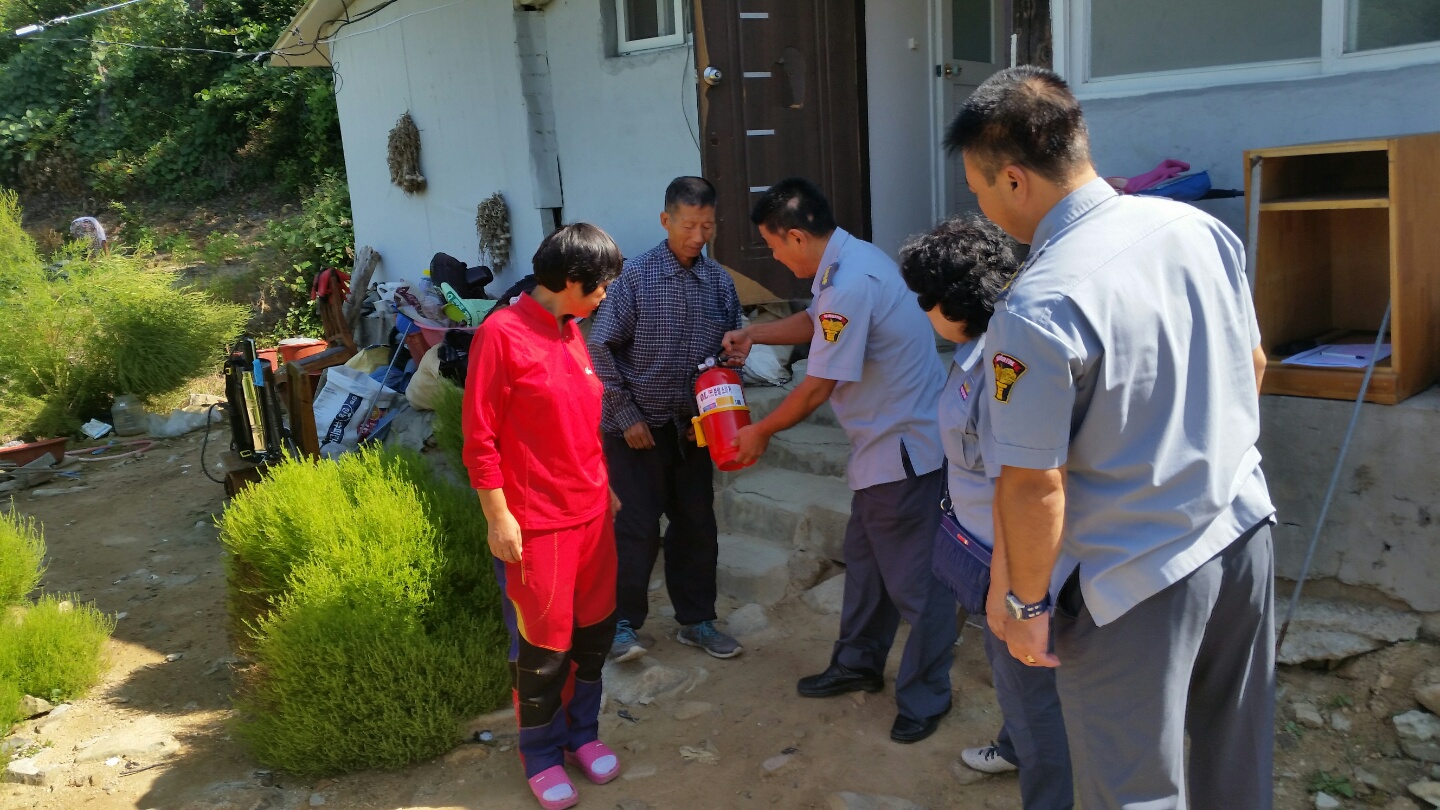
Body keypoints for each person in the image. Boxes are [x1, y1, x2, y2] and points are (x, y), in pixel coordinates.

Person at [947, 66, 1276, 809]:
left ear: (1014, 181)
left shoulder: (1037, 305)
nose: (982, 208)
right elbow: (1253, 363)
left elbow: (1034, 482)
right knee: (1235, 758)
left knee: (1134, 787)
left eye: (978, 190)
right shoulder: (1196, 230)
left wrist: (1025, 606)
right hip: (1240, 532)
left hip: (1133, 578)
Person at [721, 177, 955, 744]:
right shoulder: (848, 262)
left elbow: (817, 387)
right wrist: (757, 333)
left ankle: (927, 695)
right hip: (880, 454)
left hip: (903, 455)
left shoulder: (851, 281)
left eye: (774, 246)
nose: (775, 257)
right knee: (867, 568)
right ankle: (857, 664)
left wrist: (760, 431)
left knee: (917, 587)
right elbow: (817, 322)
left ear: (797, 237)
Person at [898, 216, 1073, 809]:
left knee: (1030, 690)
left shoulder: (1002, 370)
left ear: (952, 303)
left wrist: (1010, 593)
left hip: (1010, 561)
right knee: (1019, 681)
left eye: (925, 299)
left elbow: (1016, 490)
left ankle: (1046, 793)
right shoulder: (975, 353)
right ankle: (1014, 745)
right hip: (983, 548)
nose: (923, 312)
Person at [462, 223, 626, 810]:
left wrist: (605, 486)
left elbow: (580, 422)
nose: (605, 295)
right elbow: (479, 439)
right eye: (601, 285)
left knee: (593, 637)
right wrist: (497, 516)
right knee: (543, 649)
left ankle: (583, 736)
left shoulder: (572, 329)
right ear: (572, 280)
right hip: (538, 524)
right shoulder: (501, 335)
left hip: (591, 515)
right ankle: (541, 756)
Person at [587, 176, 745, 662]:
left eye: (707, 226)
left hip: (692, 430)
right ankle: (620, 626)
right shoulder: (635, 278)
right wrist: (625, 414)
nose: (699, 236)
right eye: (689, 225)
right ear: (666, 220)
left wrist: (722, 400)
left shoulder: (719, 283)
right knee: (634, 528)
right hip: (635, 429)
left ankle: (697, 621)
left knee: (697, 524)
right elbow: (599, 348)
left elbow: (731, 351)